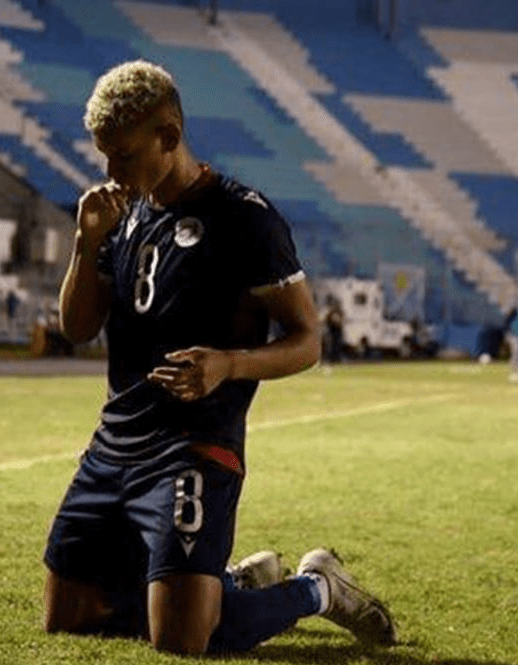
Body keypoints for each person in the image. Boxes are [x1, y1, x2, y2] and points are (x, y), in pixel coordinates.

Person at [42, 60, 397, 656]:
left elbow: (307, 339)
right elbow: (77, 327)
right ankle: (226, 585)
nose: (110, 172)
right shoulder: (124, 213)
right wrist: (86, 243)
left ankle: (318, 588)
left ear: (170, 137)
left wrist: (230, 364)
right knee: (70, 617)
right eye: (104, 155)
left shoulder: (243, 219)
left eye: (123, 155)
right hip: (114, 446)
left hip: (193, 449)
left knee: (182, 641)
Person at [323, 294, 344, 365]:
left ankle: (337, 358)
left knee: (337, 344)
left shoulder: (339, 311)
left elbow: (342, 319)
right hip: (332, 330)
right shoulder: (330, 311)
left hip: (338, 330)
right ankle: (330, 358)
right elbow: (326, 320)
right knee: (331, 345)